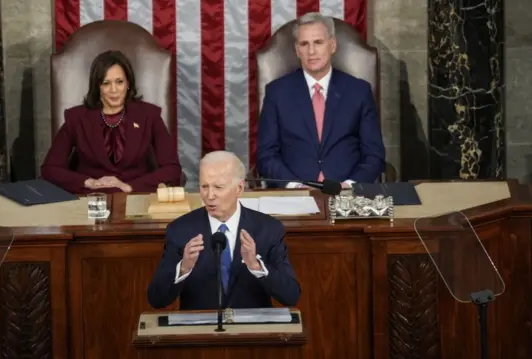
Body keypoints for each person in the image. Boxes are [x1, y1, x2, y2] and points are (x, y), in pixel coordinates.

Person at [147, 151, 301, 310]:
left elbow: (291, 296)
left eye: (218, 187)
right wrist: (184, 268)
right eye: (204, 186)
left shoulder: (268, 229)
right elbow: (156, 299)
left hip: (252, 330)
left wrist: (256, 266)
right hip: (201, 331)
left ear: (239, 188)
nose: (210, 196)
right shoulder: (181, 230)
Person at [256, 12, 385, 189]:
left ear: (332, 46)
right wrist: (295, 186)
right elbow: (266, 156)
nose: (311, 51)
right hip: (295, 195)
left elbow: (374, 154)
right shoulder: (276, 93)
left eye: (318, 42)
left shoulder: (359, 91)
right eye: (304, 44)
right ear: (297, 50)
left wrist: (350, 185)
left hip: (346, 194)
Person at [40, 50, 182, 194]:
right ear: (97, 87)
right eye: (106, 83)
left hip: (136, 196)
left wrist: (129, 186)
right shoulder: (77, 118)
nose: (114, 90)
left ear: (128, 83)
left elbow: (172, 169)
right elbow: (50, 169)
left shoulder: (149, 116)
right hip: (91, 199)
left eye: (119, 82)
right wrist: (89, 182)